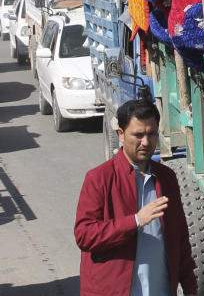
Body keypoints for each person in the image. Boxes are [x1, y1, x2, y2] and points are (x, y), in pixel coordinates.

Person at [74, 100, 196, 296]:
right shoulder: (99, 178)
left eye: (151, 134)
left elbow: (181, 240)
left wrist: (191, 289)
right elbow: (85, 235)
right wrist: (136, 220)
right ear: (121, 134)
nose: (146, 142)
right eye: (138, 135)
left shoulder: (166, 178)